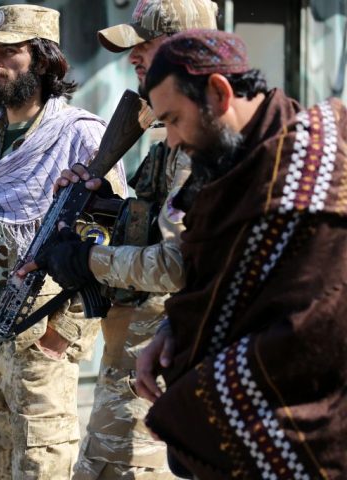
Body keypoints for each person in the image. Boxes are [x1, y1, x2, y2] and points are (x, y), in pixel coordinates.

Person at [133, 30, 347, 478]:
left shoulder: (314, 172)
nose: (171, 140)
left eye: (174, 119)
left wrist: (195, 403)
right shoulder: (225, 166)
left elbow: (314, 328)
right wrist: (171, 330)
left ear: (219, 92)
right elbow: (212, 280)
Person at [19, 1, 218, 478]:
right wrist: (103, 206)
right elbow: (151, 224)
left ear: (184, 49)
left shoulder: (201, 142)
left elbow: (176, 264)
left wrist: (88, 259)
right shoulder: (169, 134)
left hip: (161, 352)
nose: (133, 58)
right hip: (133, 349)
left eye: (145, 47)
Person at [0, 5, 127, 478]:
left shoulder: (81, 136)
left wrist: (64, 338)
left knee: (42, 468)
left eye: (9, 51)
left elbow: (110, 242)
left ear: (41, 61)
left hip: (39, 338)